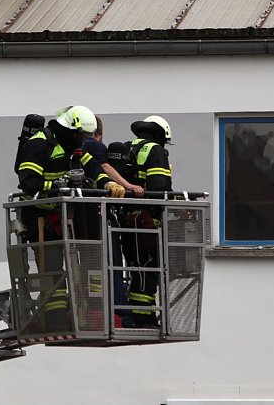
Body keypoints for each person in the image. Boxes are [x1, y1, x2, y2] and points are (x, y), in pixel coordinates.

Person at [16, 105, 126, 331]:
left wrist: (108, 183)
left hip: (70, 217)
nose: (84, 140)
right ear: (70, 129)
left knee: (89, 261)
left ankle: (89, 314)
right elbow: (28, 183)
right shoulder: (39, 144)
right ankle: (55, 322)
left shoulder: (72, 146)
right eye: (82, 135)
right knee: (53, 272)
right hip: (43, 220)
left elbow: (92, 168)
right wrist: (59, 187)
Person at [82, 116, 143, 327]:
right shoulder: (93, 146)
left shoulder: (73, 150)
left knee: (92, 267)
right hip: (101, 215)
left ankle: (96, 310)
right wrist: (129, 186)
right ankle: (121, 315)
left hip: (82, 219)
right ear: (98, 132)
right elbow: (105, 168)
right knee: (113, 264)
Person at [121, 115, 173, 328]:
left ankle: (140, 315)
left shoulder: (126, 147)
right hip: (146, 221)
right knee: (150, 269)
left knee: (135, 267)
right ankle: (145, 317)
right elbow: (159, 189)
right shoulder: (155, 151)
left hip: (124, 220)